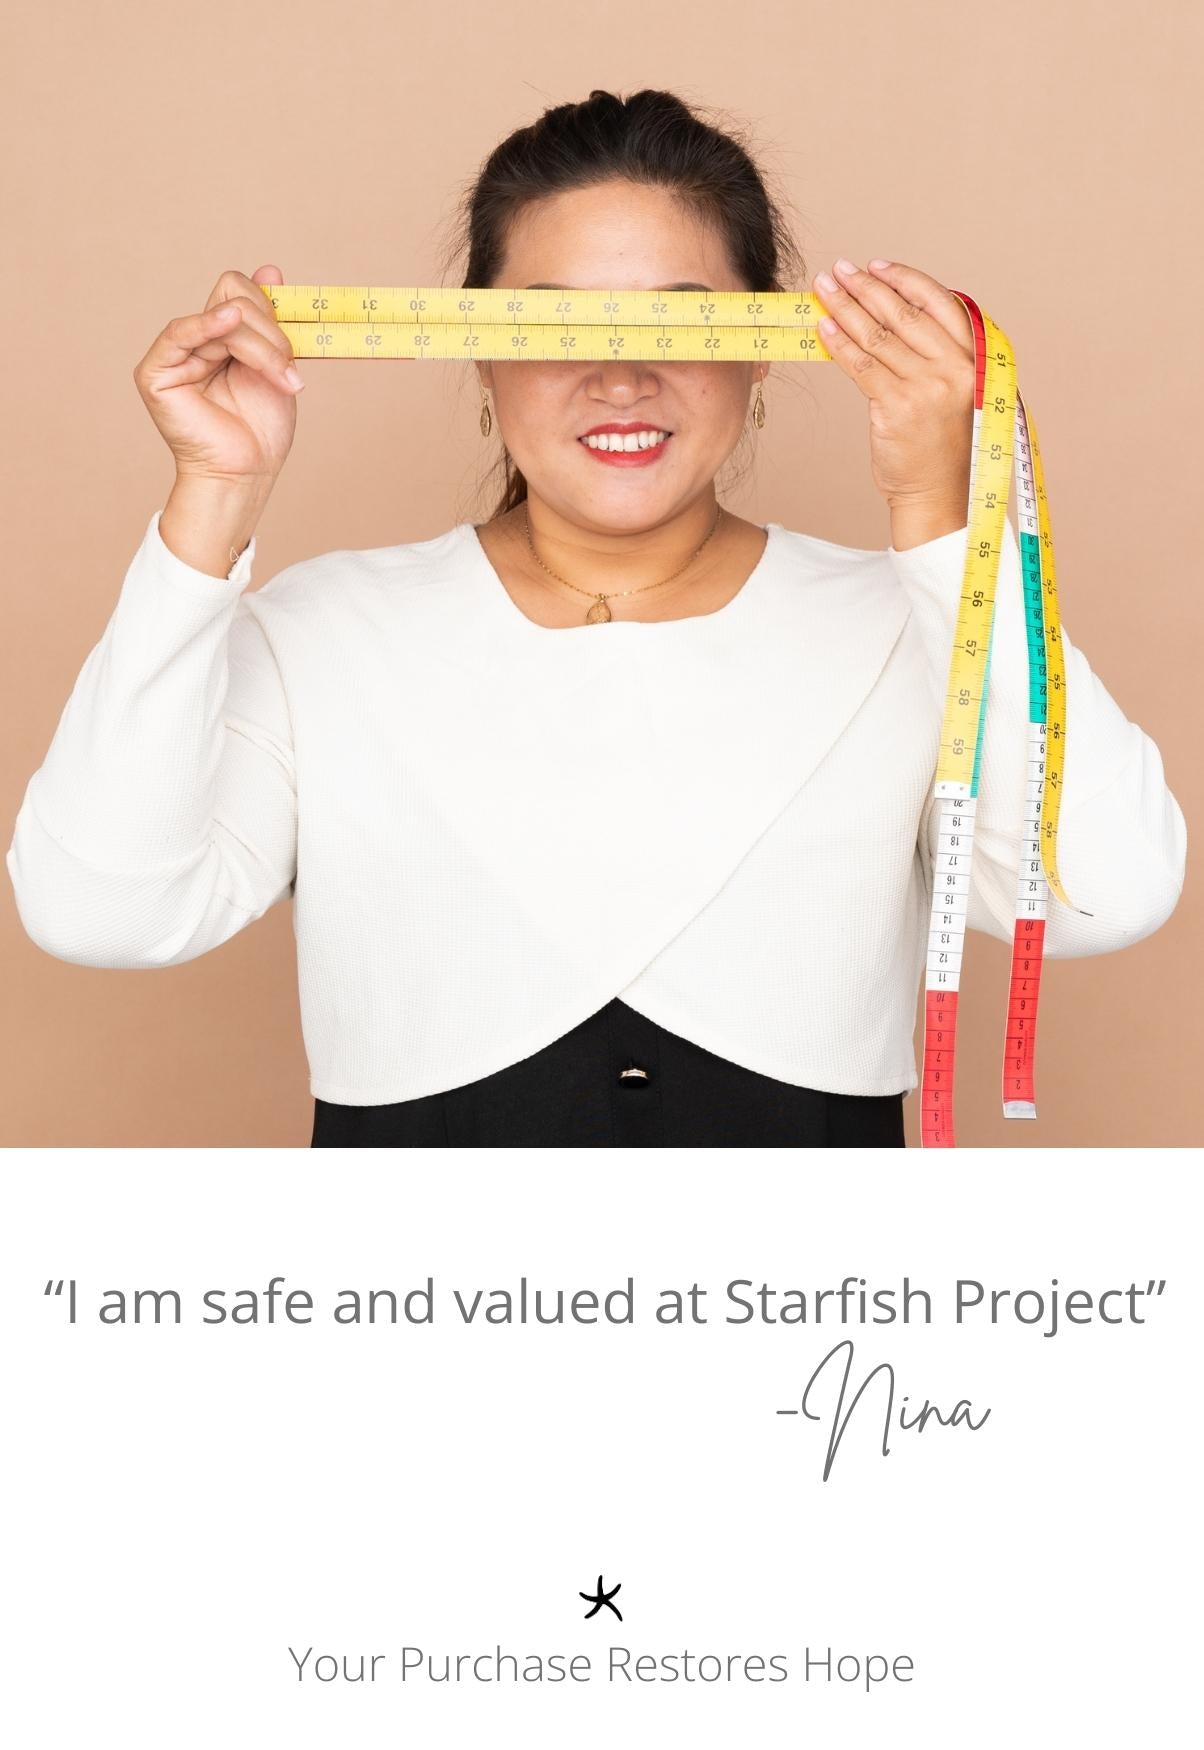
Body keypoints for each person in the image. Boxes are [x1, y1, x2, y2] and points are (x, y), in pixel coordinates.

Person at [5, 88, 1187, 1149]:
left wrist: (941, 525)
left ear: (763, 355)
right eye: (550, 325)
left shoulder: (904, 625)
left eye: (683, 324)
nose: (620, 375)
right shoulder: (323, 630)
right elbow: (100, 908)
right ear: (474, 354)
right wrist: (214, 497)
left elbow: (1102, 889)